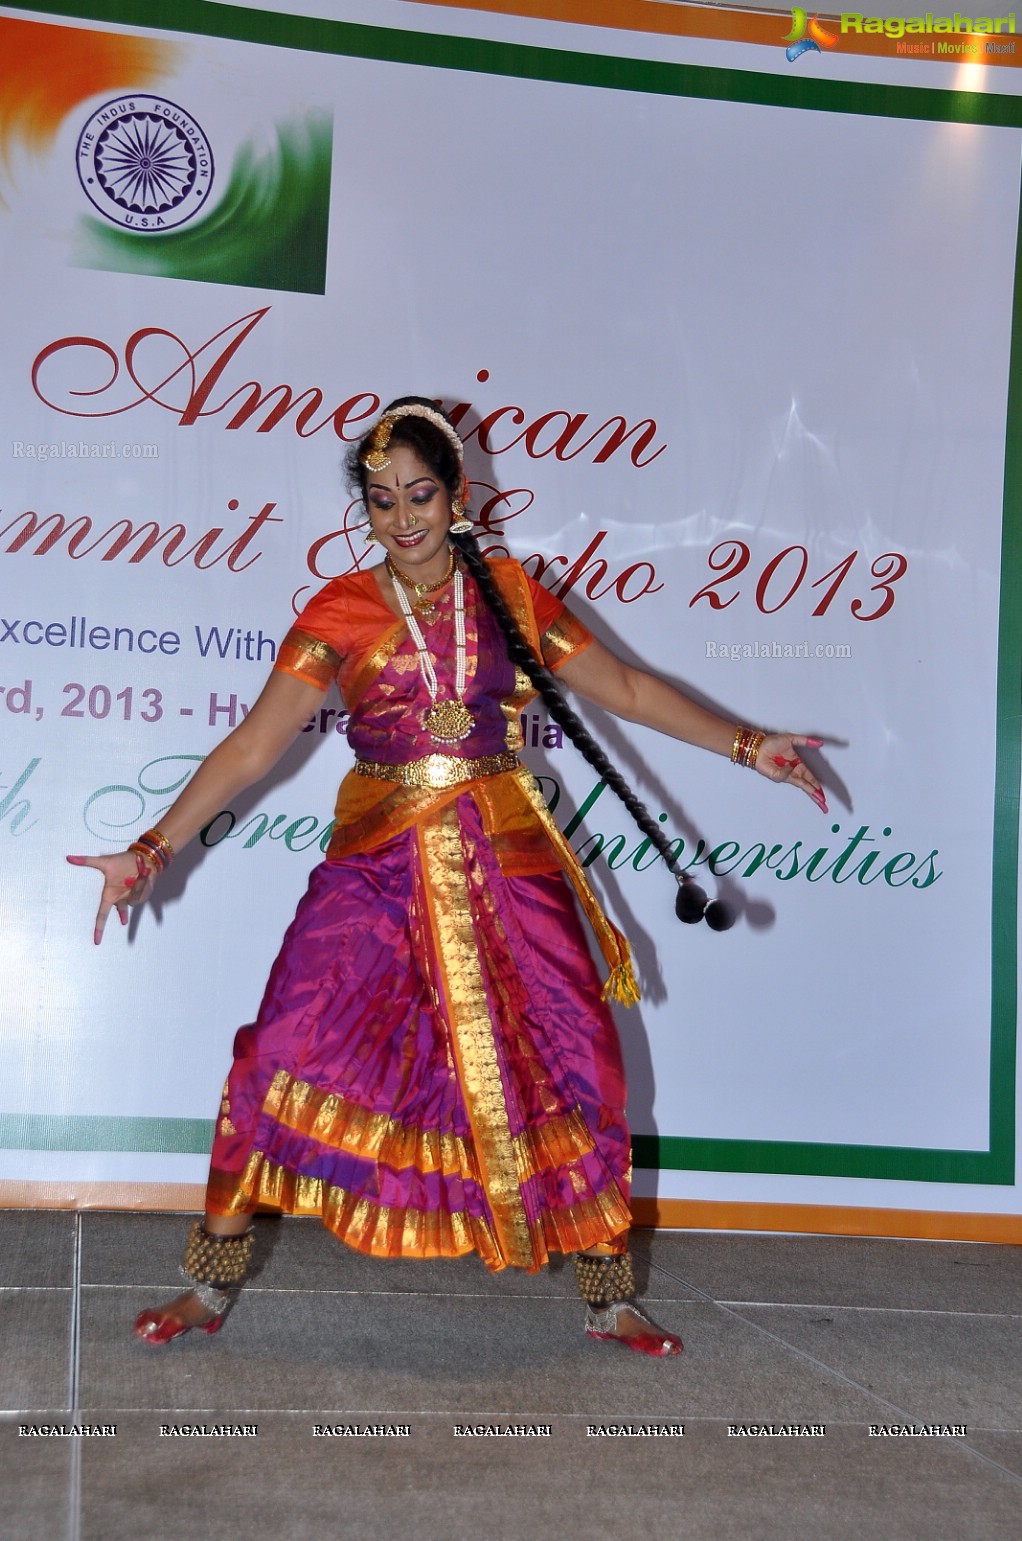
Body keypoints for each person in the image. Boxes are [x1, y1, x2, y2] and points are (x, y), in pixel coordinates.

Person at [68, 397, 826, 1359]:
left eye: (419, 494)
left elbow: (627, 691)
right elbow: (256, 744)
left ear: (457, 493)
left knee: (577, 1055)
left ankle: (608, 1298)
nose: (403, 517)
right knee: (277, 1052)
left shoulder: (507, 589)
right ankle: (207, 1283)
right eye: (381, 501)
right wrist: (150, 849)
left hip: (506, 856)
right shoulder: (337, 611)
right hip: (376, 866)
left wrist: (749, 745)